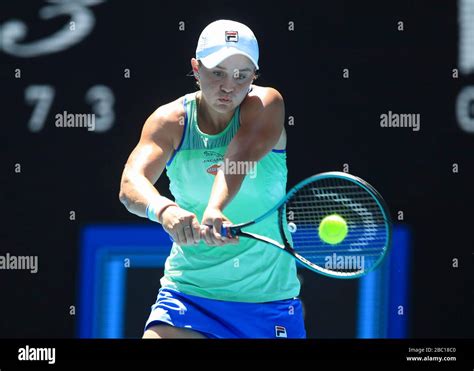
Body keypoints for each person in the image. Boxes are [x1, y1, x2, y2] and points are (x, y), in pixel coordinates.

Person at [119, 19, 306, 339]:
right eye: (218, 72)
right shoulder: (171, 121)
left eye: (242, 75)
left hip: (268, 303)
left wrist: (215, 208)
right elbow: (130, 183)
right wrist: (164, 210)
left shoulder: (266, 104)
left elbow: (238, 158)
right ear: (196, 67)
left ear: (254, 76)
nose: (229, 86)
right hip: (188, 296)